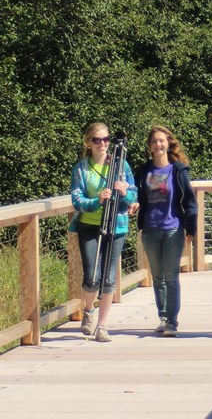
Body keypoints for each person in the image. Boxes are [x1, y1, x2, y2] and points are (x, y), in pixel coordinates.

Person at [70, 122, 138, 342]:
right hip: (89, 226)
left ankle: (102, 325)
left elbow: (133, 196)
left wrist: (124, 192)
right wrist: (97, 201)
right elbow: (77, 200)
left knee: (108, 278)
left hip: (116, 225)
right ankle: (88, 310)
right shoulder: (81, 168)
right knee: (92, 276)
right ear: (88, 143)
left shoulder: (121, 166)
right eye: (97, 140)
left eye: (106, 139)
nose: (102, 144)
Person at [136, 125, 198, 337]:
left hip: (173, 228)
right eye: (154, 141)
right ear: (150, 146)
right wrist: (133, 204)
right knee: (157, 277)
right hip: (150, 229)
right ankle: (162, 317)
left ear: (168, 143)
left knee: (171, 276)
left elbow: (190, 200)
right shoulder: (144, 171)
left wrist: (191, 229)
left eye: (161, 141)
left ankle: (172, 321)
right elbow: (138, 197)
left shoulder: (178, 170)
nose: (158, 145)